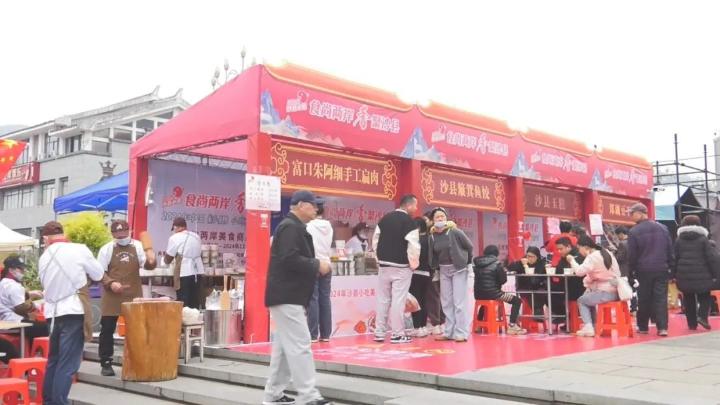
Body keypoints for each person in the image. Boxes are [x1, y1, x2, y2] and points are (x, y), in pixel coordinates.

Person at [263, 190, 333, 405]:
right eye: (313, 205)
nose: (316, 209)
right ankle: (309, 395)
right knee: (301, 344)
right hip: (287, 295)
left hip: (287, 295)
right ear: (301, 205)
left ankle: (273, 395)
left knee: (284, 349)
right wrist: (316, 264)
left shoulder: (293, 227)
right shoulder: (290, 227)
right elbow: (289, 259)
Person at [39, 221, 104, 405]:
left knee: (54, 360)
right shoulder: (79, 249)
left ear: (46, 238)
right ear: (63, 233)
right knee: (67, 364)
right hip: (73, 310)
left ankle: (49, 401)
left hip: (52, 314)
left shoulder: (44, 257)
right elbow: (98, 274)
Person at [96, 220, 157, 376]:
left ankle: (136, 361)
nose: (122, 237)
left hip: (133, 293)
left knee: (136, 329)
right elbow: (99, 272)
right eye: (118, 235)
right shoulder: (106, 249)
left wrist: (152, 261)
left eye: (124, 234)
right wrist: (111, 283)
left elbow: (147, 265)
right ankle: (106, 362)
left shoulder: (138, 246)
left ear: (129, 231)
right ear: (113, 234)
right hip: (111, 295)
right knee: (107, 329)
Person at [372, 194, 420, 344]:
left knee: (383, 299)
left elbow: (375, 240)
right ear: (409, 205)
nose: (416, 209)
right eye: (415, 205)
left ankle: (379, 332)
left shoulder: (384, 219)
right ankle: (397, 334)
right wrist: (413, 264)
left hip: (384, 265)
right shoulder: (410, 222)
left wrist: (378, 258)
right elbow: (414, 246)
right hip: (401, 267)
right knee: (398, 300)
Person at [627, 202, 674, 336]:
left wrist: (631, 272)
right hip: (662, 268)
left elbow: (632, 255)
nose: (631, 216)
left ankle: (643, 327)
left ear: (640, 213)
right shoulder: (663, 228)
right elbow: (669, 249)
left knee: (644, 297)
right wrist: (671, 267)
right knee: (661, 298)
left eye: (632, 213)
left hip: (643, 269)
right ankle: (662, 327)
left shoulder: (634, 231)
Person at [428, 207, 474, 342]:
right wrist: (435, 269)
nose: (440, 219)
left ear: (446, 218)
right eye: (437, 217)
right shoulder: (432, 236)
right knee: (446, 302)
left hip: (458, 269)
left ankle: (461, 333)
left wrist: (468, 263)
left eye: (442, 216)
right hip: (443, 270)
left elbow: (469, 246)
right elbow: (433, 255)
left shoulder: (455, 231)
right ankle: (449, 332)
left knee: (459, 302)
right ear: (433, 220)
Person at [568, 235, 621, 337]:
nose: (579, 251)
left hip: (605, 292)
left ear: (585, 247)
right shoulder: (606, 252)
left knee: (581, 300)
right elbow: (617, 272)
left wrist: (572, 261)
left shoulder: (592, 257)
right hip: (616, 291)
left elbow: (579, 272)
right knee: (588, 299)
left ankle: (588, 327)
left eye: (579, 248)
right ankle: (593, 326)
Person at [672, 215, 719, 331]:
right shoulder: (703, 239)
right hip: (703, 273)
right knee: (704, 296)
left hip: (684, 274)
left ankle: (692, 324)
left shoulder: (679, 240)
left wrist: (673, 274)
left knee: (688, 298)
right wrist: (715, 274)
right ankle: (702, 317)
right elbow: (711, 258)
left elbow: (675, 258)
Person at [473, 245, 527, 335]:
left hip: (478, 294)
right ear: (496, 254)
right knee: (517, 301)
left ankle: (478, 325)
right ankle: (512, 326)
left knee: (485, 302)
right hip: (495, 294)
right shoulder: (497, 264)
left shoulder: (477, 264)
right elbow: (503, 280)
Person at [0, 256, 48, 354]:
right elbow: (21, 308)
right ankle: (35, 355)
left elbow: (12, 298)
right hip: (14, 321)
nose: (23, 271)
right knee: (47, 328)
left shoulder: (3, 283)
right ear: (11, 270)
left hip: (6, 320)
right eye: (20, 268)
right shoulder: (12, 285)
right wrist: (36, 305)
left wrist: (29, 294)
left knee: (36, 326)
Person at [306, 202, 334, 343]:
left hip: (313, 264)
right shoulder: (329, 226)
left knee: (313, 299)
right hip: (327, 264)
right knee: (325, 299)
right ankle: (326, 334)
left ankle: (312, 335)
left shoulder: (308, 226)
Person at [164, 217, 204, 309]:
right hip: (198, 272)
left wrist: (165, 261)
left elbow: (168, 258)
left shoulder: (174, 238)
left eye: (174, 228)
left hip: (184, 273)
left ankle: (184, 318)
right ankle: (195, 317)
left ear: (176, 227)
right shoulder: (196, 236)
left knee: (183, 303)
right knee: (195, 301)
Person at [421, 211, 445, 335]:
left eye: (426, 220)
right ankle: (440, 323)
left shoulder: (432, 235)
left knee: (433, 296)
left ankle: (437, 324)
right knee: (436, 296)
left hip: (434, 269)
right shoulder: (434, 234)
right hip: (436, 269)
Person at [506, 246, 547, 318]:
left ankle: (540, 313)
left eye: (532, 257)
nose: (530, 258)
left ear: (537, 257)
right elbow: (509, 268)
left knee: (544, 293)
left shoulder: (541, 264)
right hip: (524, 288)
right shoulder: (522, 262)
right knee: (532, 294)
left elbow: (540, 279)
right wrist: (520, 263)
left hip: (538, 287)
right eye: (528, 256)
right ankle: (538, 314)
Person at [408, 217, 432, 337]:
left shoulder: (416, 241)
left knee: (415, 301)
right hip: (427, 274)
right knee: (423, 300)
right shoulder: (430, 239)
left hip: (416, 273)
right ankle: (423, 327)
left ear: (417, 227)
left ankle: (417, 327)